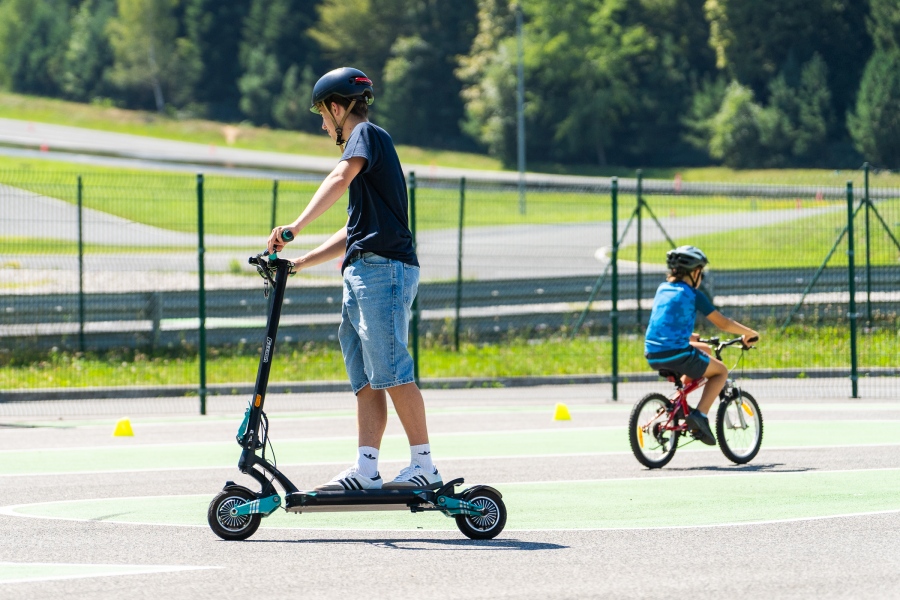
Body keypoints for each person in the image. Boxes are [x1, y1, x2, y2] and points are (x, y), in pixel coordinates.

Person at [266, 67, 441, 491]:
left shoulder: (365, 134)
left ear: (338, 107)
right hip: (364, 269)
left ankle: (424, 466)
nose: (323, 125)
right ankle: (366, 469)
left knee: (392, 368)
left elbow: (339, 177)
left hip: (382, 270)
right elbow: (353, 231)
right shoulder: (369, 159)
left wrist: (295, 227)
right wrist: (300, 262)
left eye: (322, 116)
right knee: (365, 377)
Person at [643, 245, 759, 445]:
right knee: (721, 372)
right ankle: (700, 416)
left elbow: (664, 321)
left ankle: (677, 403)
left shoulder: (662, 289)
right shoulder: (693, 294)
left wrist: (689, 336)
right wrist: (749, 333)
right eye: (701, 273)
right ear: (695, 272)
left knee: (704, 350)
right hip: (677, 353)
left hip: (653, 352)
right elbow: (723, 323)